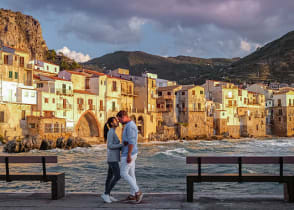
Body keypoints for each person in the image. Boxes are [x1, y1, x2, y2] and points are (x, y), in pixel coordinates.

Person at [116, 110, 143, 204]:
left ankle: (137, 191)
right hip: (130, 152)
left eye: (119, 119)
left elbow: (132, 142)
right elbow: (129, 141)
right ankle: (132, 195)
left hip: (129, 153)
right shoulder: (128, 125)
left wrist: (128, 155)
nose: (119, 122)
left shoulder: (130, 126)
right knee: (131, 174)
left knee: (123, 173)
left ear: (123, 117)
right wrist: (124, 143)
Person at [101, 117, 123, 203]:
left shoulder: (112, 132)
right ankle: (106, 194)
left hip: (112, 158)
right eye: (115, 121)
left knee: (109, 177)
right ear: (111, 123)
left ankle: (107, 195)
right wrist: (121, 145)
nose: (117, 121)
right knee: (117, 176)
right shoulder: (111, 132)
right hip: (112, 159)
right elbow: (110, 145)